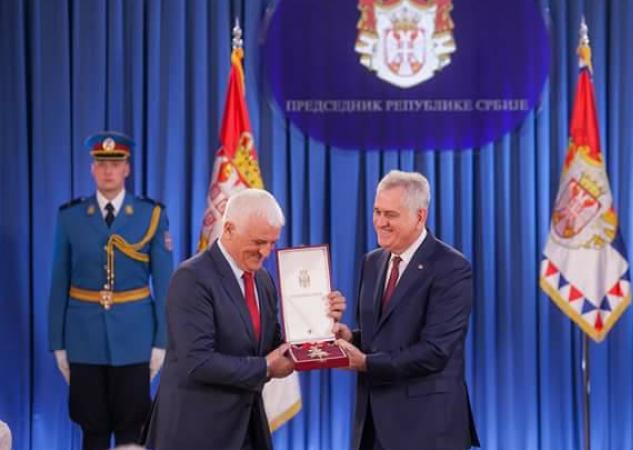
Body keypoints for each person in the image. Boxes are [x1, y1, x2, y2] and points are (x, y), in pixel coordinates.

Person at [143, 188, 345, 450]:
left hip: (247, 427)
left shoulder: (262, 279)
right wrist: (264, 368)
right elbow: (198, 361)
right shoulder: (191, 278)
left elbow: (271, 345)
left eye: (272, 243)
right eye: (259, 242)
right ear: (228, 229)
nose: (266, 252)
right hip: (195, 431)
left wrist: (321, 327)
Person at [335, 170, 480, 450]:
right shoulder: (372, 262)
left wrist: (365, 363)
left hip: (427, 429)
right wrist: (350, 337)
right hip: (372, 426)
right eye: (377, 211)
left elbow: (435, 351)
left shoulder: (451, 268)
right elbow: (381, 336)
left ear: (419, 216)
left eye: (390, 215)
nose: (380, 222)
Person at [48, 131, 173, 450]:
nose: (108, 170)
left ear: (127, 169)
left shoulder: (151, 215)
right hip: (83, 338)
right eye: (101, 163)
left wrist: (162, 341)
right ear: (92, 168)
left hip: (135, 339)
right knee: (92, 428)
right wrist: (57, 343)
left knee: (132, 428)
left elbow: (164, 283)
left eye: (115, 164)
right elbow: (59, 281)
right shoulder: (71, 217)